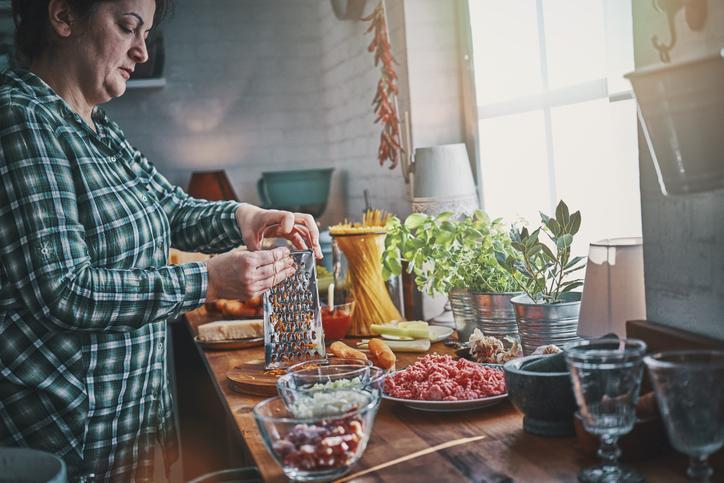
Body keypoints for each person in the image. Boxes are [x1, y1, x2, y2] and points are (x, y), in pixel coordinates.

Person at [0, 0, 322, 480]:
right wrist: (207, 281)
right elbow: (63, 291)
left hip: (130, 419)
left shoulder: (97, 126)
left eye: (144, 33)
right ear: (64, 16)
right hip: (71, 428)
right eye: (129, 28)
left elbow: (170, 209)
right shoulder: (22, 118)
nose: (142, 52)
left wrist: (248, 215)